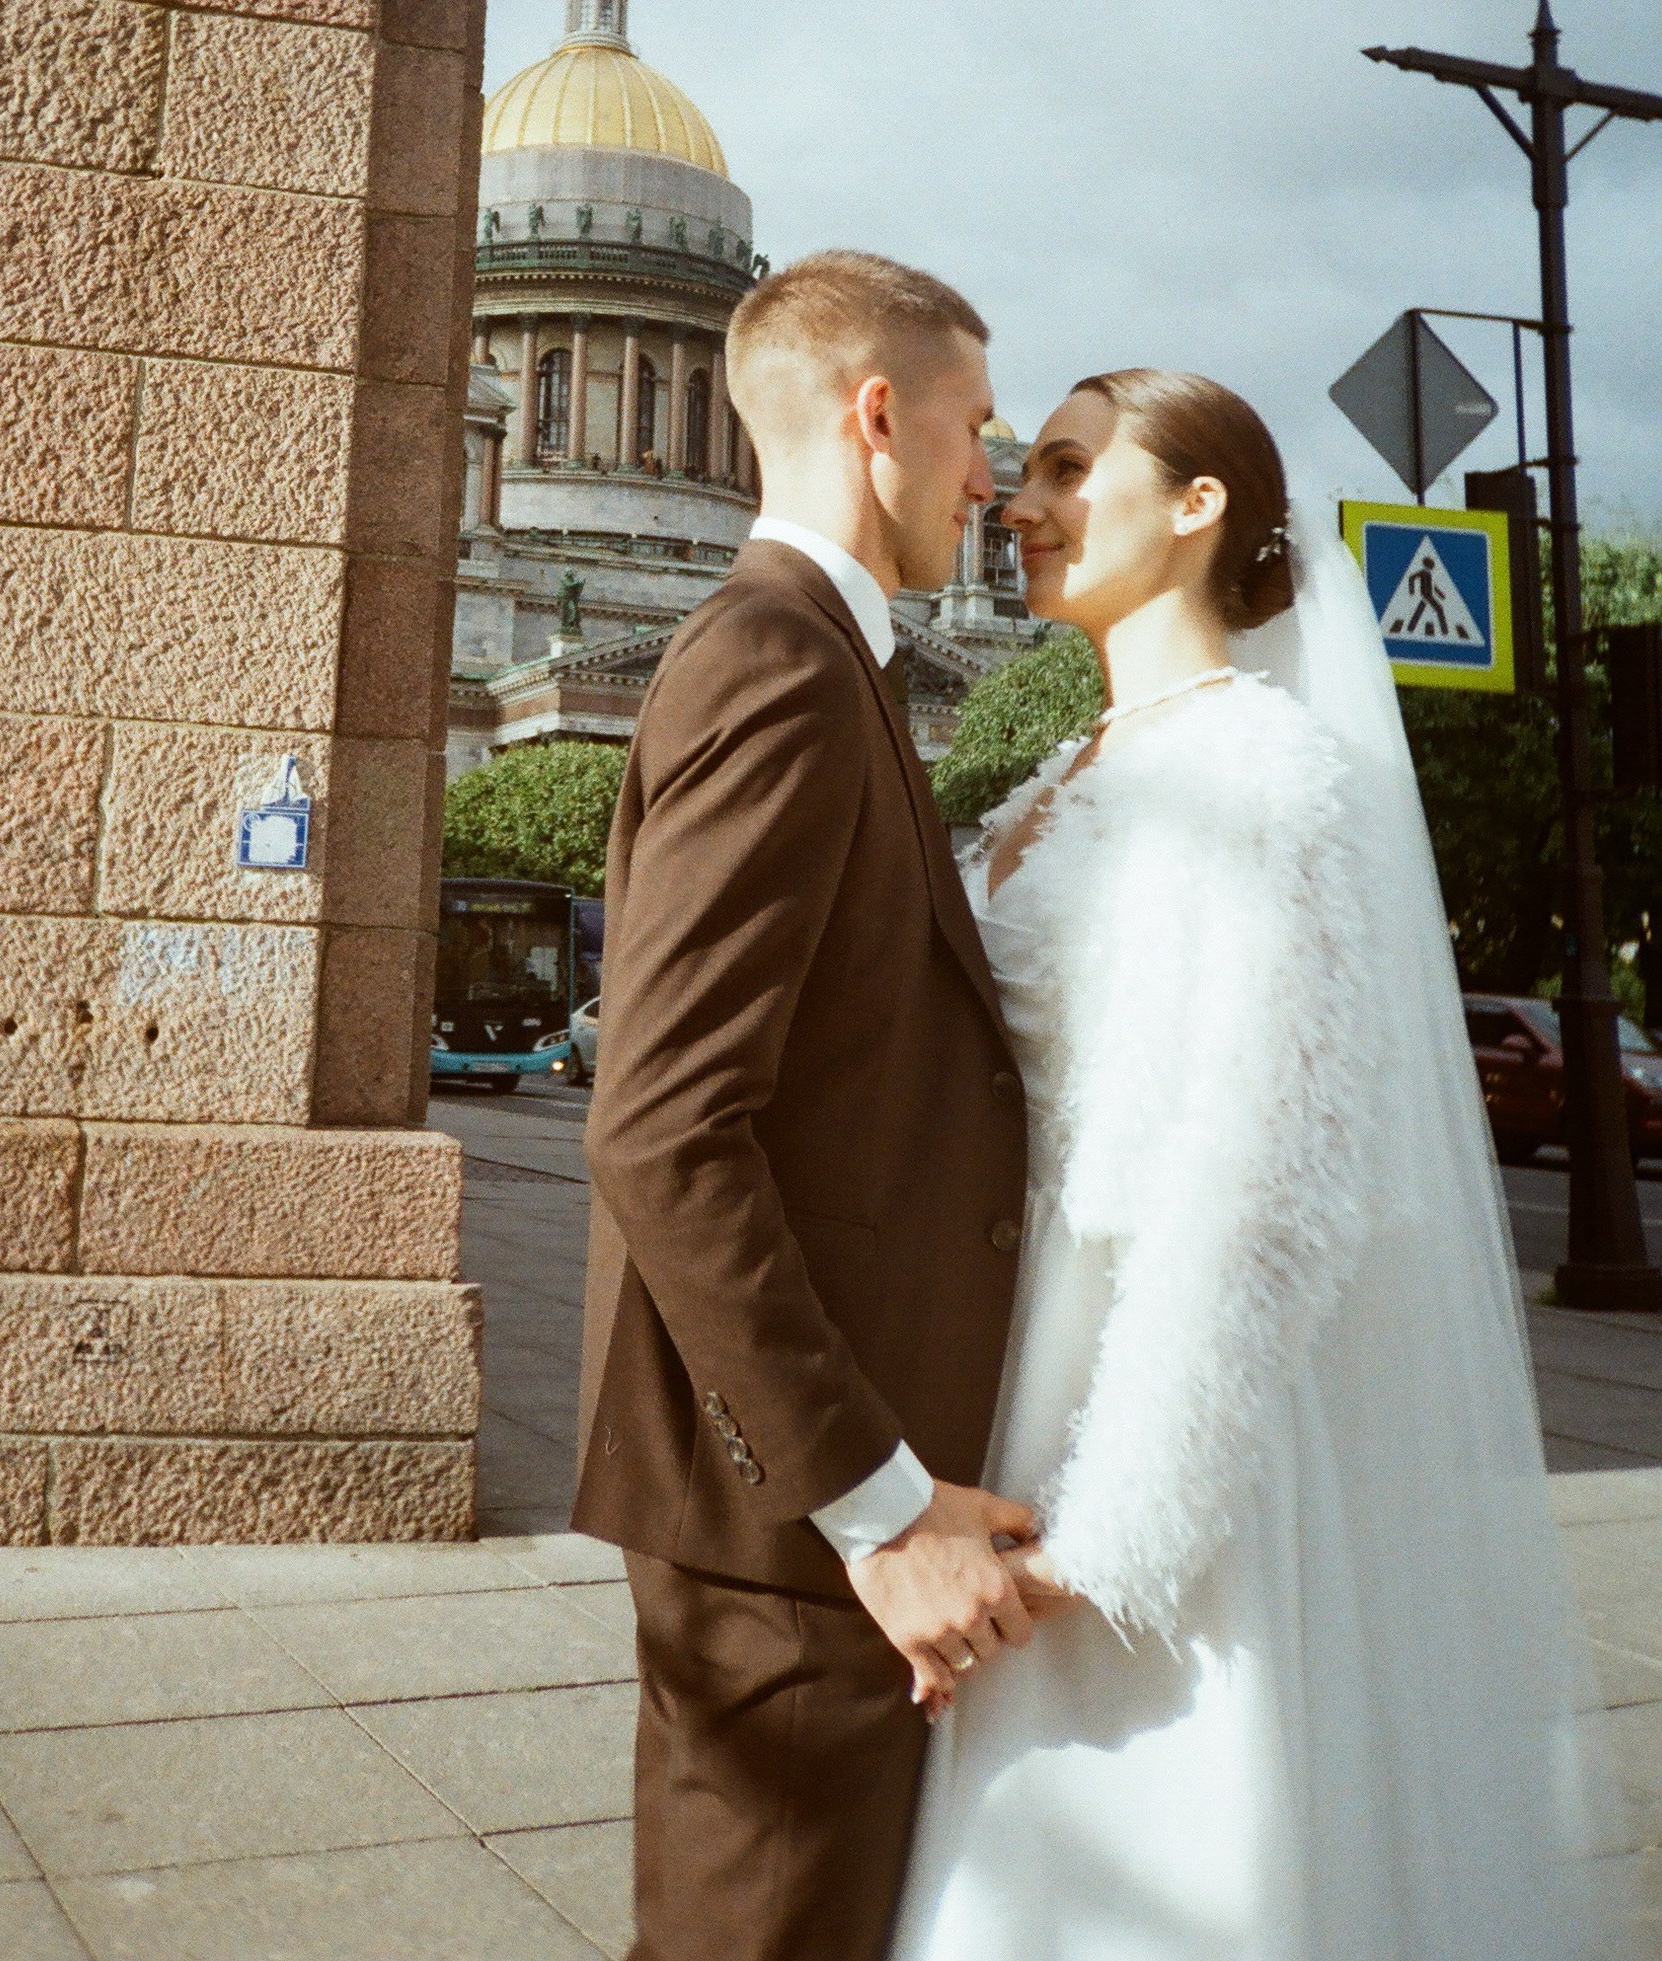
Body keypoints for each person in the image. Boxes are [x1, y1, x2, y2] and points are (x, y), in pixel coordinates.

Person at [890, 367, 1593, 1961]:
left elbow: (1262, 1185)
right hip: (1011, 1376)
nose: (1020, 501)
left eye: (1068, 466)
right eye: (1024, 471)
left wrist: (1112, 1532)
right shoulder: (1073, 764)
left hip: (1144, 1434)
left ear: (1198, 503)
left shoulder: (1263, 778)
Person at [573, 251, 1040, 1961]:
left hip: (794, 1514)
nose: (991, 480)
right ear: (879, 416)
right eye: (976, 427)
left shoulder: (823, 656)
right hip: (791, 1532)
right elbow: (662, 1125)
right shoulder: (778, 658)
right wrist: (880, 1506)